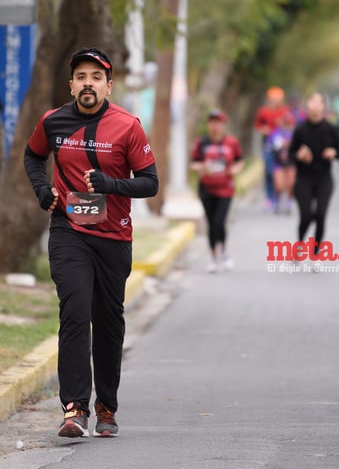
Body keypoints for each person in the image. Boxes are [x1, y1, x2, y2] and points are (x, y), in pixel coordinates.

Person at [24, 47, 158, 439]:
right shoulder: (53, 121)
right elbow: (33, 158)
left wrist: (111, 185)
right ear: (71, 85)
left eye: (96, 78)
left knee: (109, 321)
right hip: (68, 231)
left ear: (108, 86)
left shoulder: (128, 125)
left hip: (113, 236)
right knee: (75, 311)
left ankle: (106, 406)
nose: (88, 84)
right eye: (81, 77)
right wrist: (42, 190)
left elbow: (150, 182)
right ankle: (74, 407)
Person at [288, 93, 339, 259]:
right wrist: (299, 155)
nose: (314, 105)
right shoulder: (300, 129)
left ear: (323, 106)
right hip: (304, 178)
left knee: (320, 215)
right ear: (307, 105)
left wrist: (333, 152)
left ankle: (315, 253)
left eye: (318, 102)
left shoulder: (330, 129)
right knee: (305, 216)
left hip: (324, 178)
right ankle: (299, 244)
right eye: (311, 101)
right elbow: (290, 153)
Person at [190, 109, 244, 273]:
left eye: (218, 122)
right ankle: (213, 257)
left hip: (225, 189)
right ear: (208, 124)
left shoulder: (231, 143)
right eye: (212, 122)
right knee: (212, 223)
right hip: (207, 189)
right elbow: (193, 163)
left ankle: (225, 252)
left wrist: (235, 169)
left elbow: (240, 161)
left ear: (223, 125)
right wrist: (202, 166)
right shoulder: (202, 143)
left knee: (220, 222)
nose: (215, 126)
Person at [254, 86, 291, 210]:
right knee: (270, 172)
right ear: (269, 99)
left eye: (278, 99)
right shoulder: (263, 111)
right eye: (273, 99)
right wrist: (265, 130)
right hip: (269, 145)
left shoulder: (285, 111)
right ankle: (270, 198)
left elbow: (291, 124)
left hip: (283, 147)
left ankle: (285, 198)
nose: (275, 101)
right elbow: (258, 125)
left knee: (284, 172)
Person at [266, 112, 296, 214]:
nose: (287, 124)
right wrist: (279, 145)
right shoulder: (275, 133)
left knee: (291, 184)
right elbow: (269, 146)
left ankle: (289, 203)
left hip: (291, 163)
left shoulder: (295, 133)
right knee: (279, 185)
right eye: (285, 122)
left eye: (289, 122)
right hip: (278, 163)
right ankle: (278, 202)